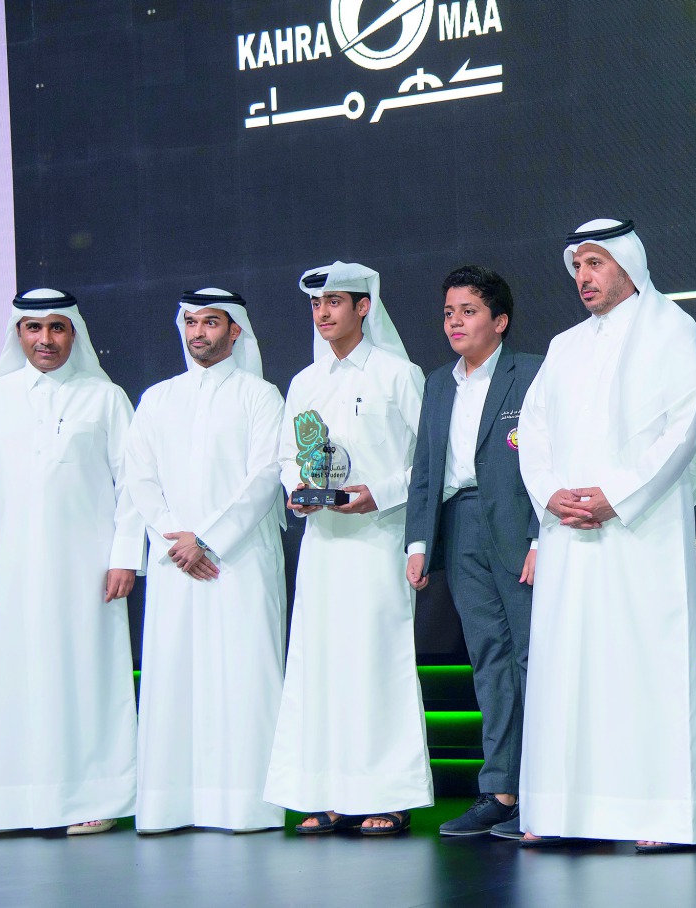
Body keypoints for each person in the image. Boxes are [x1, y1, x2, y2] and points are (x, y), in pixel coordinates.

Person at [516, 220, 696, 853]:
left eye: (596, 263)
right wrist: (551, 493)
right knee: (567, 667)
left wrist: (616, 496)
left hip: (640, 529)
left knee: (642, 664)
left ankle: (657, 817)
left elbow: (684, 426)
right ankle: (562, 807)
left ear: (628, 264)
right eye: (578, 266)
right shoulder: (564, 345)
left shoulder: (672, 328)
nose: (584, 277)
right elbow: (532, 433)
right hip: (569, 528)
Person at [0, 288, 145, 835]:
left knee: (88, 679)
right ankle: (7, 806)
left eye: (57, 328)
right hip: (10, 568)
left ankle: (95, 801)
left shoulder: (104, 399)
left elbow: (134, 487)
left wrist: (125, 555)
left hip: (89, 573)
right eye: (34, 329)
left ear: (73, 334)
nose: (45, 340)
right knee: (15, 680)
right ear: (18, 335)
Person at [264, 261, 432, 836]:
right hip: (323, 544)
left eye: (335, 302)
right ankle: (326, 792)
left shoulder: (398, 374)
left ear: (364, 307)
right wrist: (298, 491)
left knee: (376, 664)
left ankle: (386, 794)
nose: (324, 313)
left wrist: (378, 494)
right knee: (320, 665)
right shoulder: (304, 383)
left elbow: (430, 465)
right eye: (317, 305)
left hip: (378, 541)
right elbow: (288, 456)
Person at [124, 288, 287, 834]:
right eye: (191, 322)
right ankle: (170, 807)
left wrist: (209, 540)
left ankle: (246, 808)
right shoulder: (157, 398)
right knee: (175, 679)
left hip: (238, 562)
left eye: (211, 322)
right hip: (177, 565)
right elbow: (140, 478)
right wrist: (178, 542)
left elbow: (265, 477)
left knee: (242, 676)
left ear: (234, 331)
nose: (198, 332)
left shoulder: (261, 396)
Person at [405, 265, 542, 838]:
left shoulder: (532, 373)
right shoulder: (438, 383)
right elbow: (425, 468)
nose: (454, 322)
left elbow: (551, 457)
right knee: (488, 658)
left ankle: (546, 788)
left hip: (517, 521)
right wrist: (418, 541)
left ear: (500, 321)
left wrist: (543, 535)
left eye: (468, 311)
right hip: (460, 524)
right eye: (448, 312)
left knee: (534, 655)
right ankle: (500, 790)